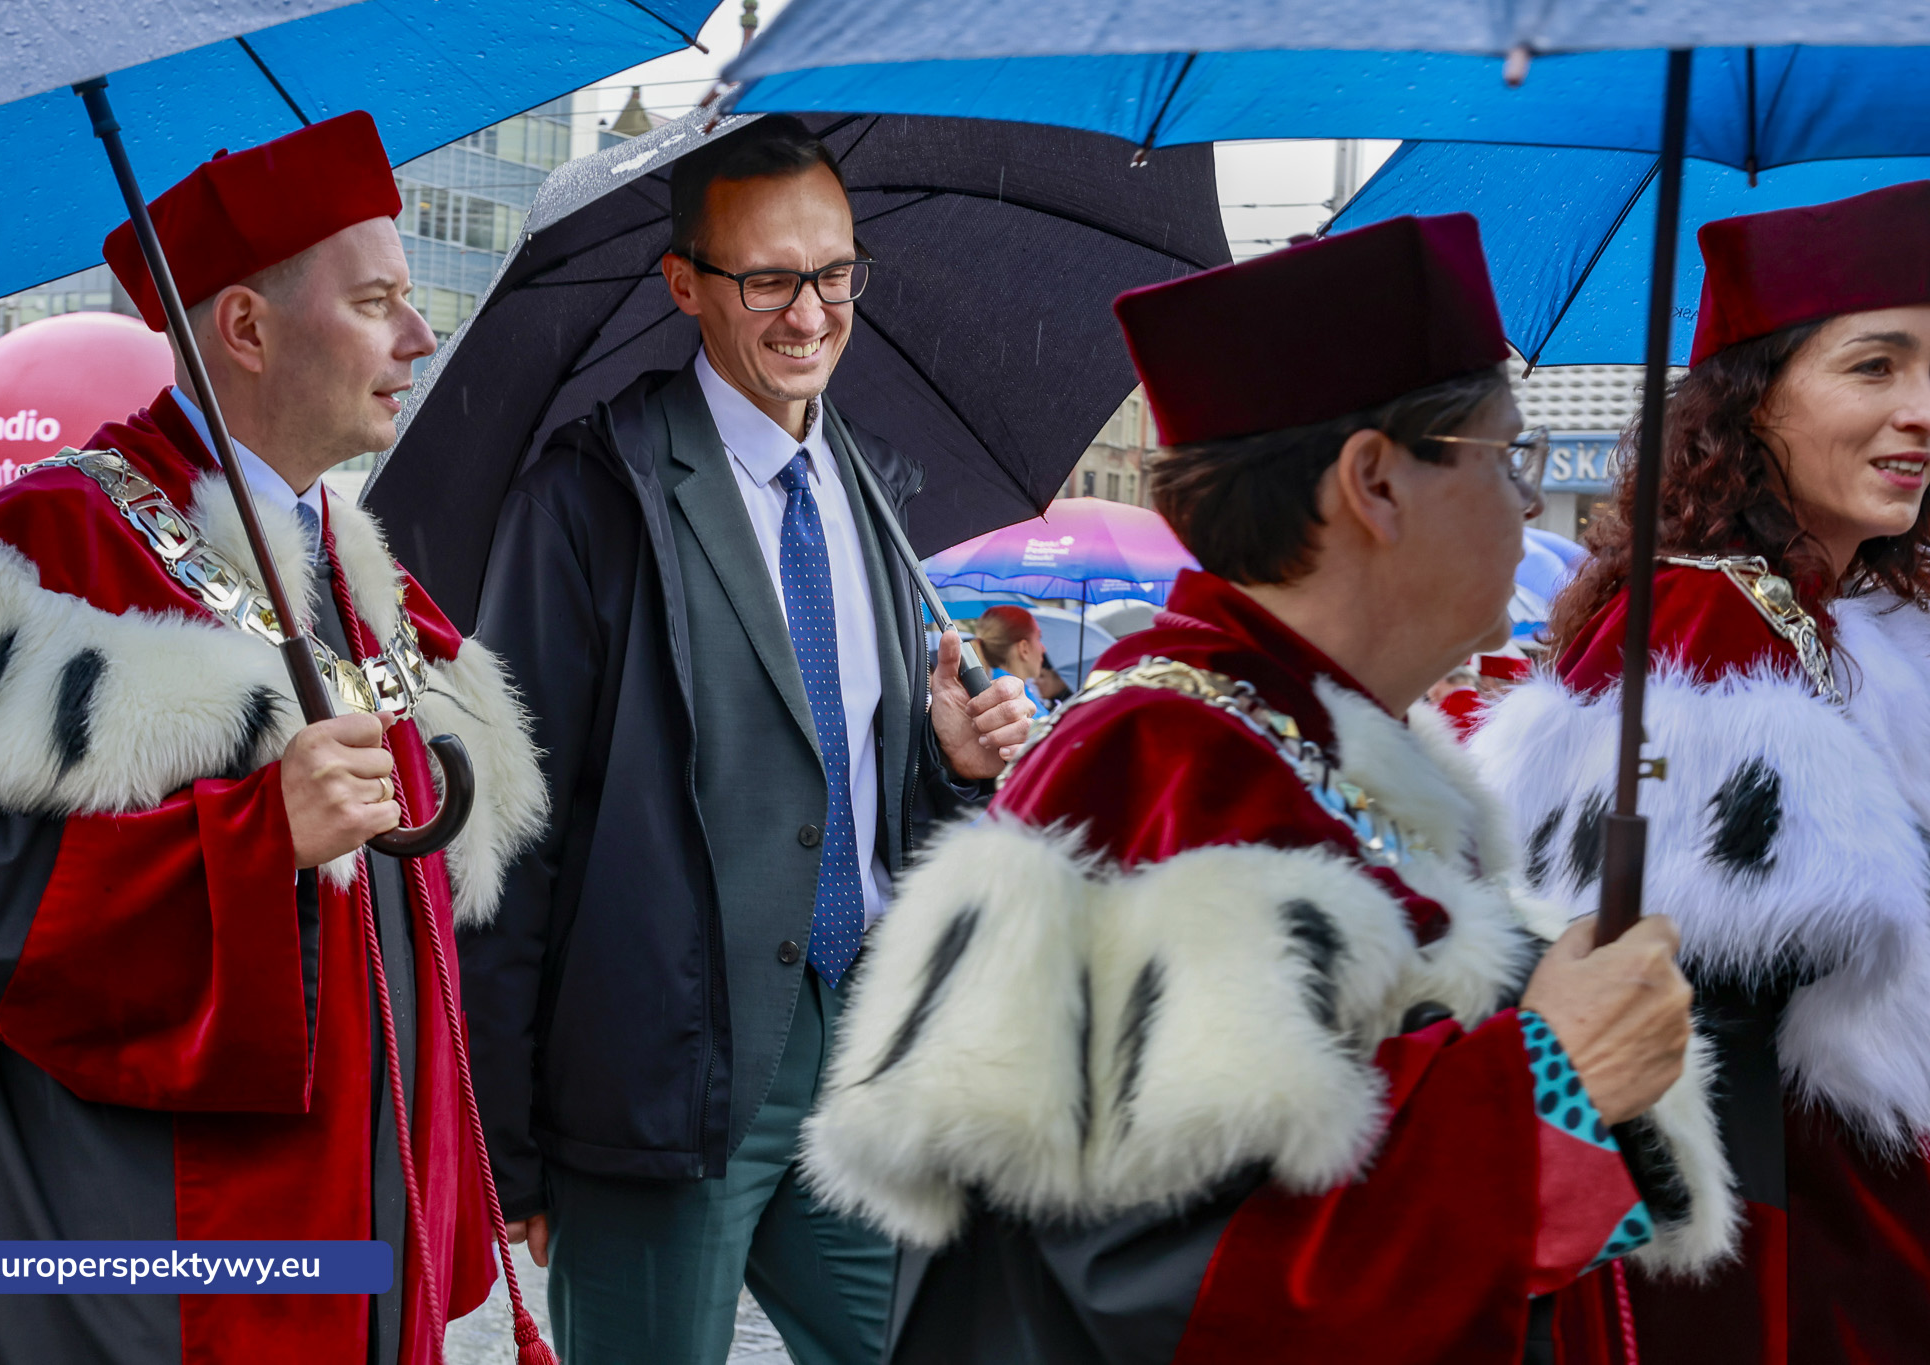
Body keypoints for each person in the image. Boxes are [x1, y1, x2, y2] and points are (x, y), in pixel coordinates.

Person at [795, 214, 1735, 1365]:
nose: (1525, 503)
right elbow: (1174, 1283)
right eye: (1505, 459)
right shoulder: (1157, 765)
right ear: (1374, 482)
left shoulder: (1326, 742)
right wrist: (1551, 1077)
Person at [0, 113, 546, 1364]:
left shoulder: (356, 569)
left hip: (358, 1208)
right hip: (161, 1254)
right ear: (242, 328)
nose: (419, 336)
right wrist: (254, 837)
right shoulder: (47, 544)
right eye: (377, 303)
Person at [461, 115, 1034, 1365]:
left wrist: (953, 770)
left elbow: (862, 802)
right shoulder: (589, 495)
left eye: (833, 274)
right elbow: (514, 828)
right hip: (662, 1069)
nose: (809, 314)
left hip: (864, 1045)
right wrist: (504, 1138)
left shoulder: (872, 491)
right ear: (685, 284)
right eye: (767, 280)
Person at [1475, 179, 1930, 1364]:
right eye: (1873, 366)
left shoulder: (1851, 616)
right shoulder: (1703, 623)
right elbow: (1692, 1062)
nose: (1919, 411)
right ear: (1751, 398)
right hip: (1794, 1267)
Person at [971, 604, 1050, 712]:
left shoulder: (984, 689)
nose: (1043, 649)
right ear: (1024, 648)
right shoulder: (1019, 707)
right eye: (1038, 638)